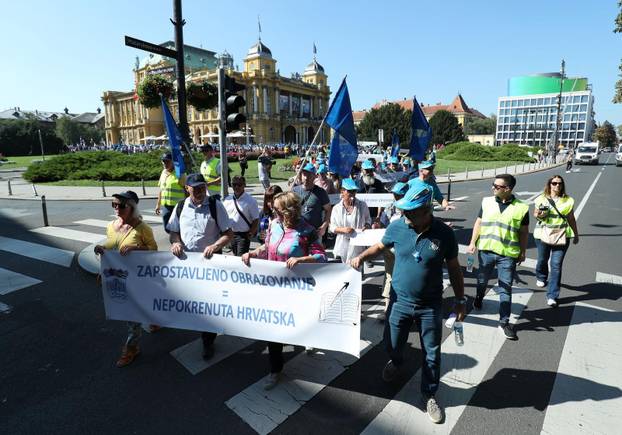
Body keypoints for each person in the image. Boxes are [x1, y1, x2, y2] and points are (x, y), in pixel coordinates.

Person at [350, 183, 465, 424]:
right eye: (404, 211)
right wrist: (360, 257)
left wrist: (460, 300)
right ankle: (397, 360)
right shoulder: (397, 227)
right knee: (390, 343)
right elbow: (380, 247)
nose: (406, 216)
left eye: (410, 212)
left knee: (431, 353)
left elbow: (454, 269)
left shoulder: (444, 234)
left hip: (430, 304)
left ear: (426, 210)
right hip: (399, 300)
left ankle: (429, 393)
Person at [241, 192, 327, 390]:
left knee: (296, 324)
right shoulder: (274, 225)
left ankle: (308, 337)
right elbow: (267, 246)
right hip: (273, 289)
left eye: (277, 209)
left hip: (297, 290)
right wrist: (254, 253)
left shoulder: (306, 230)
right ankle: (275, 370)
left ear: (289, 211)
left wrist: (302, 259)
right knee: (274, 331)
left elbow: (321, 255)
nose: (273, 211)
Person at [167, 173, 234, 360]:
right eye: (195, 188)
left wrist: (215, 246)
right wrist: (175, 243)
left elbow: (229, 234)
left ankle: (207, 341)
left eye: (202, 187)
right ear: (186, 189)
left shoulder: (215, 205)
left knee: (208, 305)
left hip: (210, 266)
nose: (199, 191)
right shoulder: (180, 207)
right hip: (187, 266)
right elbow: (173, 233)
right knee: (190, 302)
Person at [94, 191, 158, 367]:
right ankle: (154, 320)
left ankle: (131, 349)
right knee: (135, 310)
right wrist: (100, 249)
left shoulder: (143, 228)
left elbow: (154, 250)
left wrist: (136, 248)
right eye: (113, 204)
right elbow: (111, 246)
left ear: (132, 207)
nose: (116, 208)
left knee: (133, 314)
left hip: (138, 278)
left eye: (121, 205)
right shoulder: (111, 225)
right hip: (119, 278)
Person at [466, 174, 529, 340]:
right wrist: (472, 242)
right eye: (493, 184)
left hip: (507, 255)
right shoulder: (487, 202)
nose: (492, 188)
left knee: (505, 288)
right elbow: (478, 222)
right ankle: (479, 297)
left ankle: (504, 322)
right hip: (486, 251)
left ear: (507, 189)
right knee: (482, 280)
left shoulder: (522, 208)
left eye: (497, 186)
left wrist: (523, 251)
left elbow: (523, 232)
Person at [533, 175, 579, 307]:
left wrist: (576, 234)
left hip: (562, 235)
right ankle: (541, 276)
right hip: (543, 234)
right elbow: (535, 214)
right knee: (542, 259)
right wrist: (540, 215)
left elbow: (571, 219)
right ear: (549, 184)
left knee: (556, 265)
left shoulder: (568, 200)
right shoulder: (541, 199)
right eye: (554, 183)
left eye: (559, 183)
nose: (557, 186)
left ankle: (552, 295)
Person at [373, 182, 409, 316]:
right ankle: (387, 307)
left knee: (405, 278)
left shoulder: (412, 209)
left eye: (399, 194)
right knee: (389, 276)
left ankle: (404, 307)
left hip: (407, 251)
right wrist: (376, 225)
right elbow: (382, 224)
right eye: (395, 194)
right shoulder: (390, 208)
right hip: (390, 250)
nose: (396, 197)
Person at [329, 178, 371, 265]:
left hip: (357, 245)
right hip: (342, 245)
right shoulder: (336, 208)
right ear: (342, 191)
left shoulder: (362, 205)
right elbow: (332, 227)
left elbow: (368, 219)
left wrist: (367, 225)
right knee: (343, 273)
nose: (352, 194)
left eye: (354, 191)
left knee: (357, 271)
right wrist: (343, 230)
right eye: (349, 191)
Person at [292, 163, 332, 237]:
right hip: (297, 232)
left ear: (314, 176)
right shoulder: (294, 191)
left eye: (309, 175)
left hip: (315, 232)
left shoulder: (321, 192)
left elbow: (328, 210)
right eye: (304, 174)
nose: (306, 178)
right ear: (301, 175)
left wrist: (324, 226)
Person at [223, 175, 259, 256]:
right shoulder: (227, 200)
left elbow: (256, 219)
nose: (237, 187)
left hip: (243, 235)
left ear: (244, 185)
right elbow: (224, 217)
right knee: (235, 256)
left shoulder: (251, 201)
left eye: (239, 184)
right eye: (234, 184)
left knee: (241, 258)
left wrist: (251, 234)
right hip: (231, 234)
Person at [155, 152, 186, 233]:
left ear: (173, 161)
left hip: (178, 206)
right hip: (166, 205)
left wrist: (188, 204)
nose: (165, 163)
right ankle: (174, 237)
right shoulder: (163, 173)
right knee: (166, 225)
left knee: (179, 226)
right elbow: (161, 190)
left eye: (167, 161)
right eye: (163, 161)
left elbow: (187, 190)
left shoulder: (179, 173)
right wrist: (158, 205)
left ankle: (179, 240)